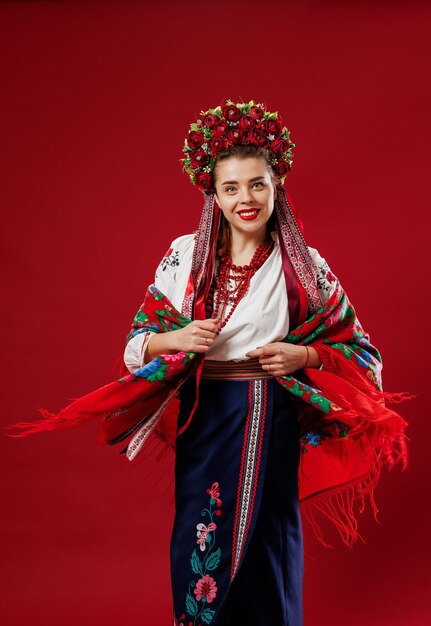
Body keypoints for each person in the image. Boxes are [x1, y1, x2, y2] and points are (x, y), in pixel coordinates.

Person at [8, 99, 411, 626]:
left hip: (272, 417)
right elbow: (137, 343)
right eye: (231, 188)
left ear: (277, 185)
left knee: (270, 543)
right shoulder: (184, 260)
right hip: (208, 414)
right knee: (200, 535)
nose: (246, 198)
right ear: (213, 196)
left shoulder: (306, 269)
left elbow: (363, 355)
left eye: (257, 184)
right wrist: (174, 338)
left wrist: (304, 354)